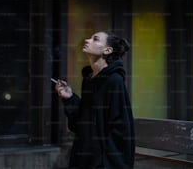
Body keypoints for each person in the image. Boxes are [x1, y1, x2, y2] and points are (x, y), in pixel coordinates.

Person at [55, 31, 135, 169]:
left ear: (107, 50)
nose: (87, 40)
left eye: (95, 39)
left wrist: (105, 164)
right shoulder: (89, 80)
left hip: (102, 163)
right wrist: (70, 98)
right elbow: (81, 123)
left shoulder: (114, 81)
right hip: (83, 159)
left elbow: (121, 129)